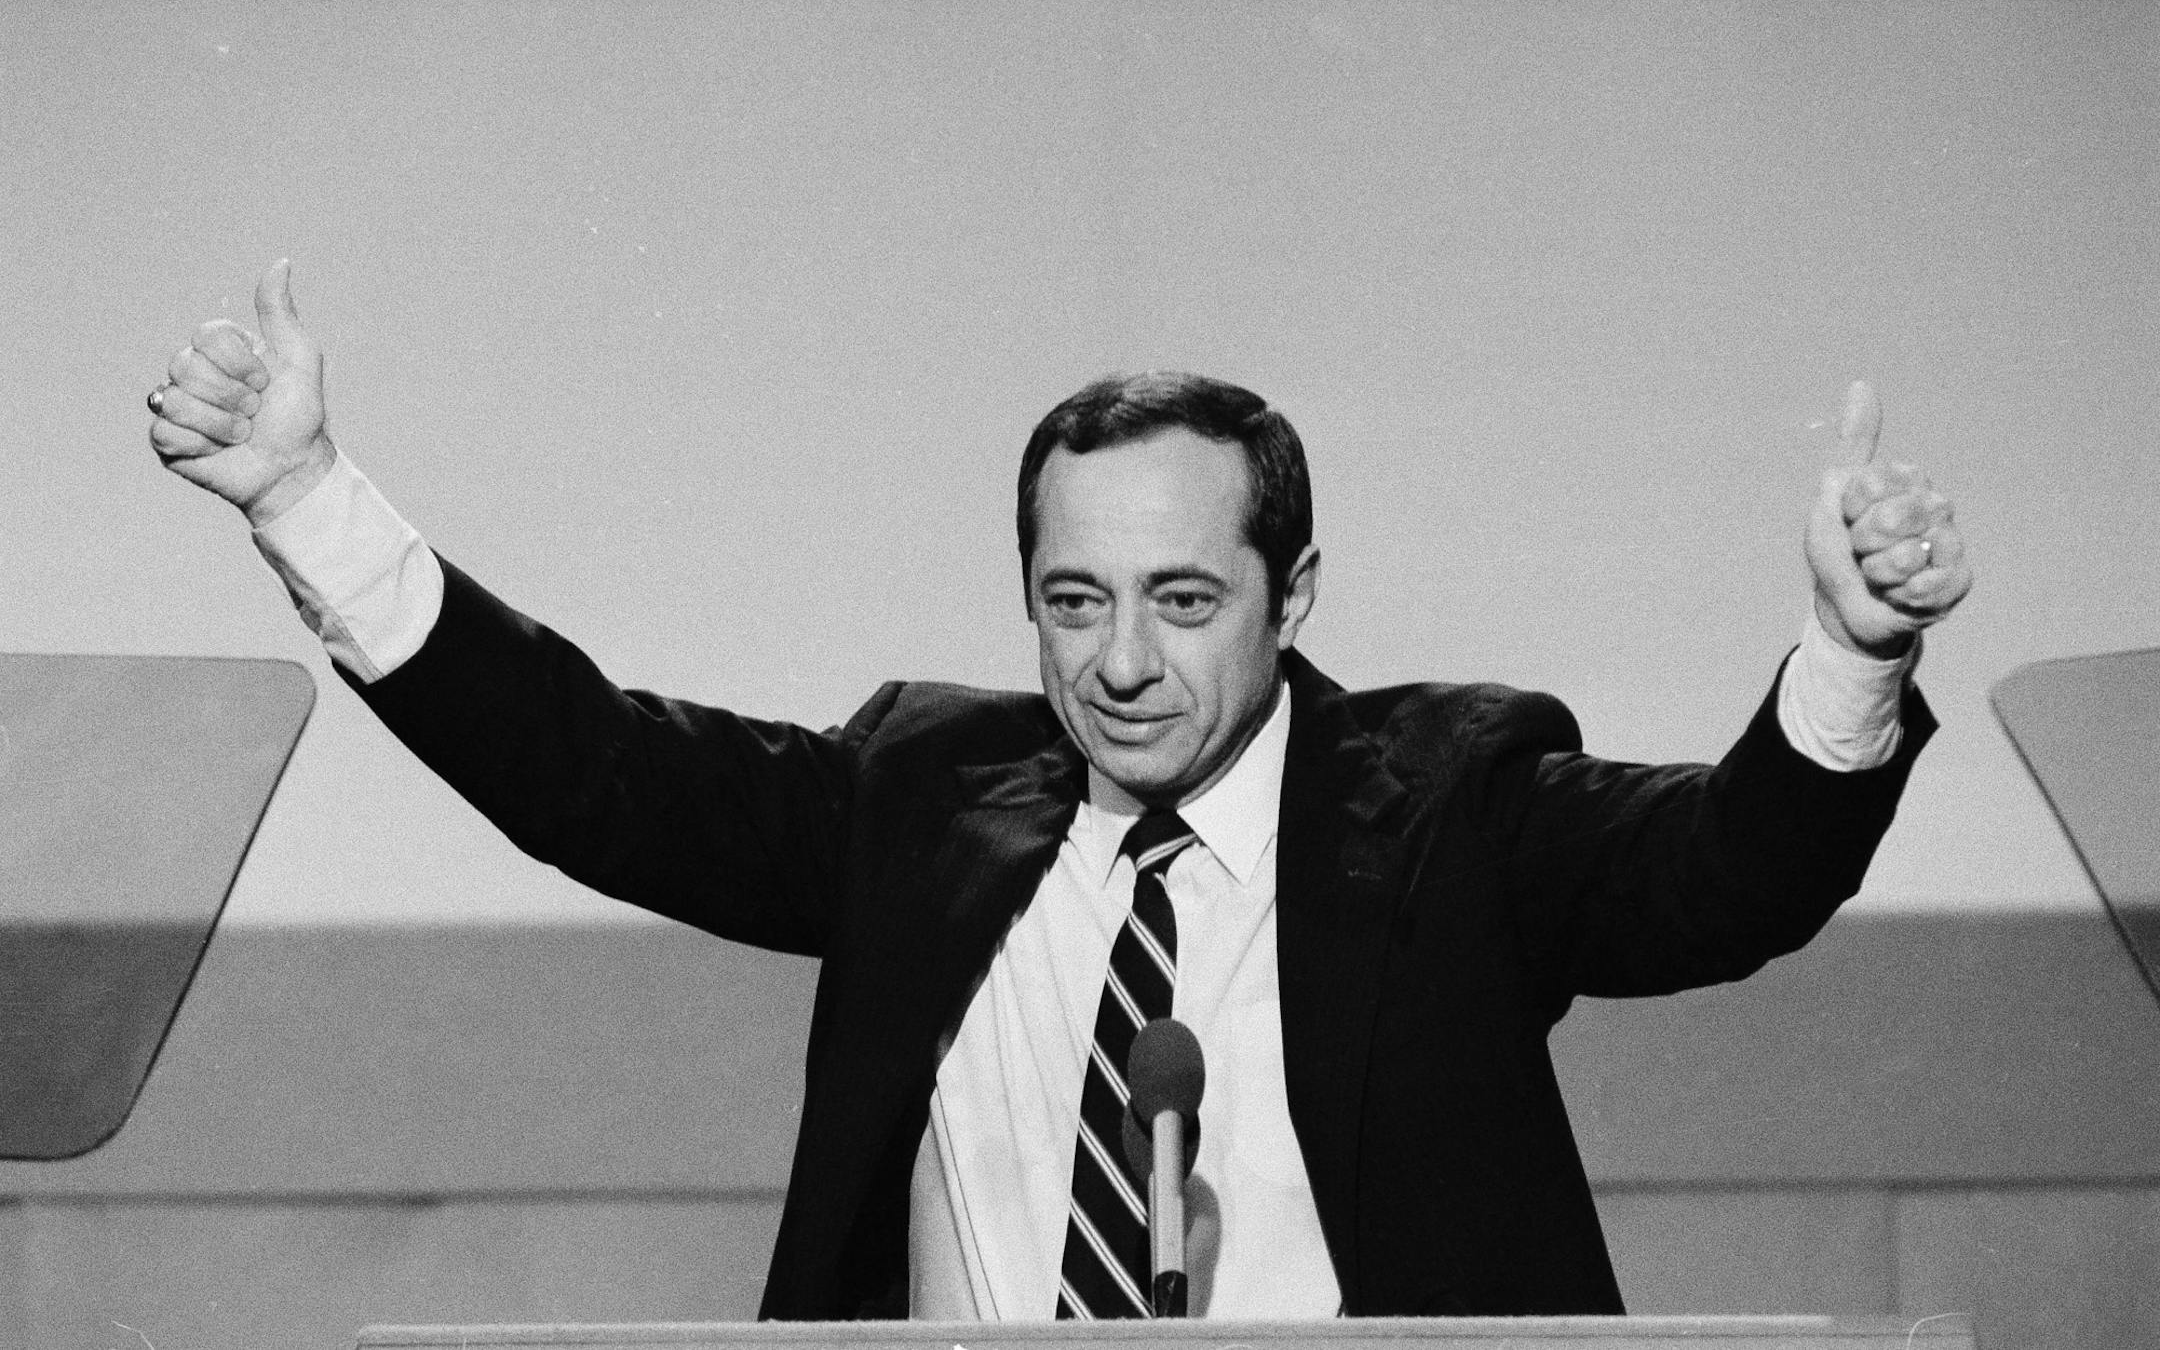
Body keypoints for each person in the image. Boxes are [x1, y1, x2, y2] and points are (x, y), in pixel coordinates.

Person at [146, 261, 1972, 1321]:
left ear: (1294, 595)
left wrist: (1854, 654)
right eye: (1074, 602)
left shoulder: (1451, 802)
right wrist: (306, 500)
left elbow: (1722, 874)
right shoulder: (923, 798)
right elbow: (595, 770)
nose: (1122, 664)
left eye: (1183, 601)